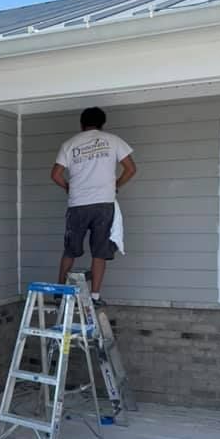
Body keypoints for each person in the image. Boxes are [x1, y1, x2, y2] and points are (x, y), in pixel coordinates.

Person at [51, 106, 136, 303]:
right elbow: (131, 169)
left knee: (70, 250)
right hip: (104, 204)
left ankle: (60, 292)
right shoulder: (113, 140)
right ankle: (95, 296)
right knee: (99, 252)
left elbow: (55, 175)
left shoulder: (70, 144)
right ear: (102, 123)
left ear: (82, 124)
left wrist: (68, 188)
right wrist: (116, 185)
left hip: (78, 204)